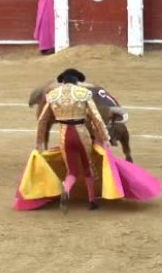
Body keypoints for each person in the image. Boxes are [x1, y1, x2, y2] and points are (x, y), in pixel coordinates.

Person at [35, 69, 111, 211]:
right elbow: (97, 118)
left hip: (65, 135)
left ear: (63, 81)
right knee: (87, 167)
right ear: (77, 81)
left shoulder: (52, 95)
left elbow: (42, 120)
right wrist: (105, 138)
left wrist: (39, 142)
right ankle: (92, 201)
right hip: (81, 133)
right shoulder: (84, 93)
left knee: (72, 171)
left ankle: (67, 190)